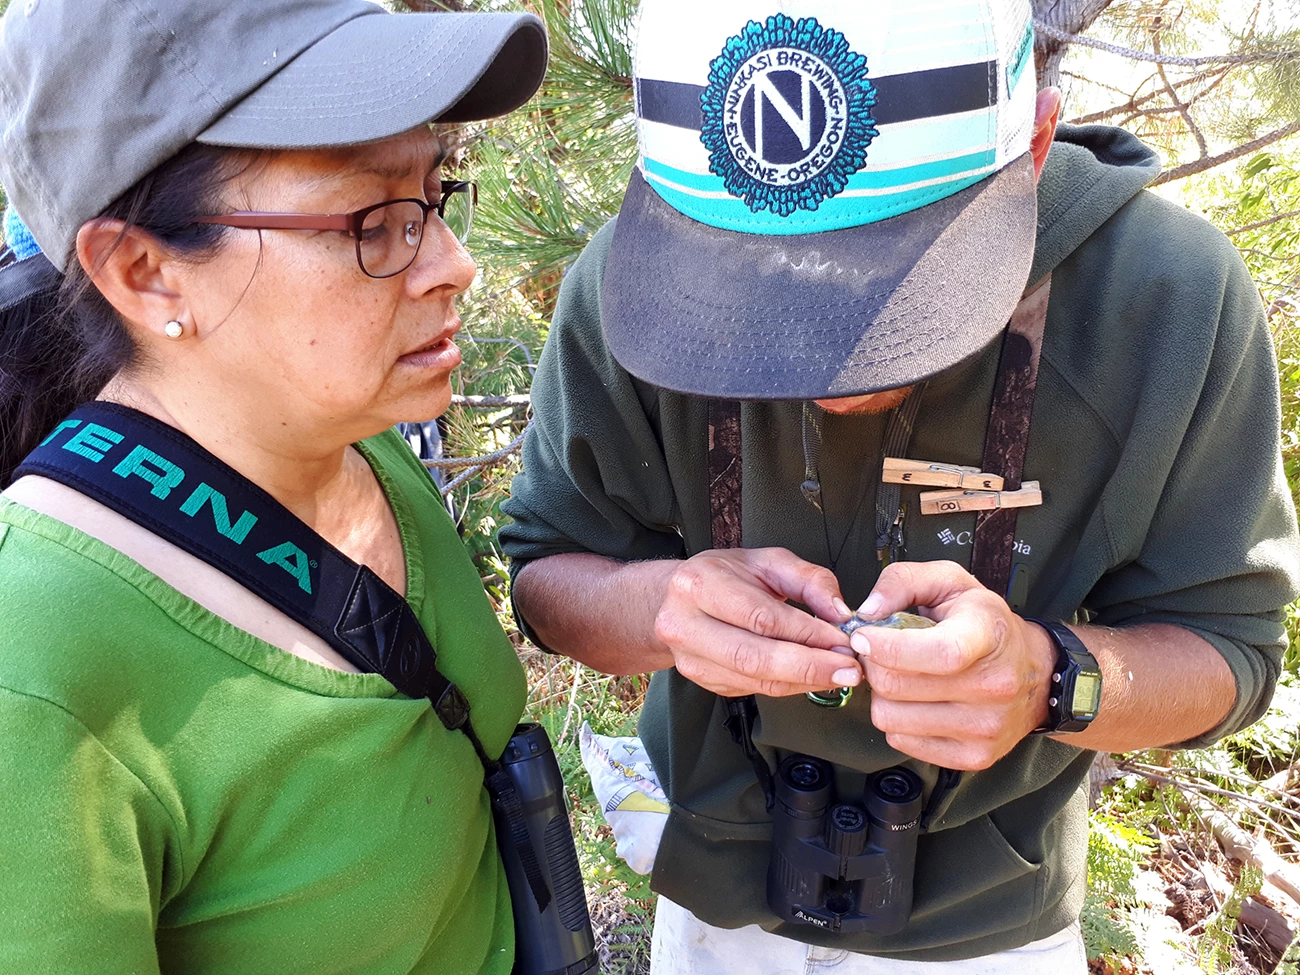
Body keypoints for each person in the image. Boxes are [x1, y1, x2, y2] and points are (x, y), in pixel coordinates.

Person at [500, 0, 1300, 970]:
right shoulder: (635, 283)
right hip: (716, 900)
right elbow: (546, 574)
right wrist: (658, 609)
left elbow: (1231, 653)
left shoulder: (1167, 304)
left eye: (887, 292)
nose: (814, 363)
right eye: (753, 296)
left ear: (1035, 143)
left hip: (990, 927)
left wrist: (1050, 678)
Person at [0, 2, 547, 972]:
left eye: (436, 194)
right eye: (375, 221)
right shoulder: (35, 662)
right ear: (147, 272)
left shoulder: (354, 442)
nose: (455, 265)